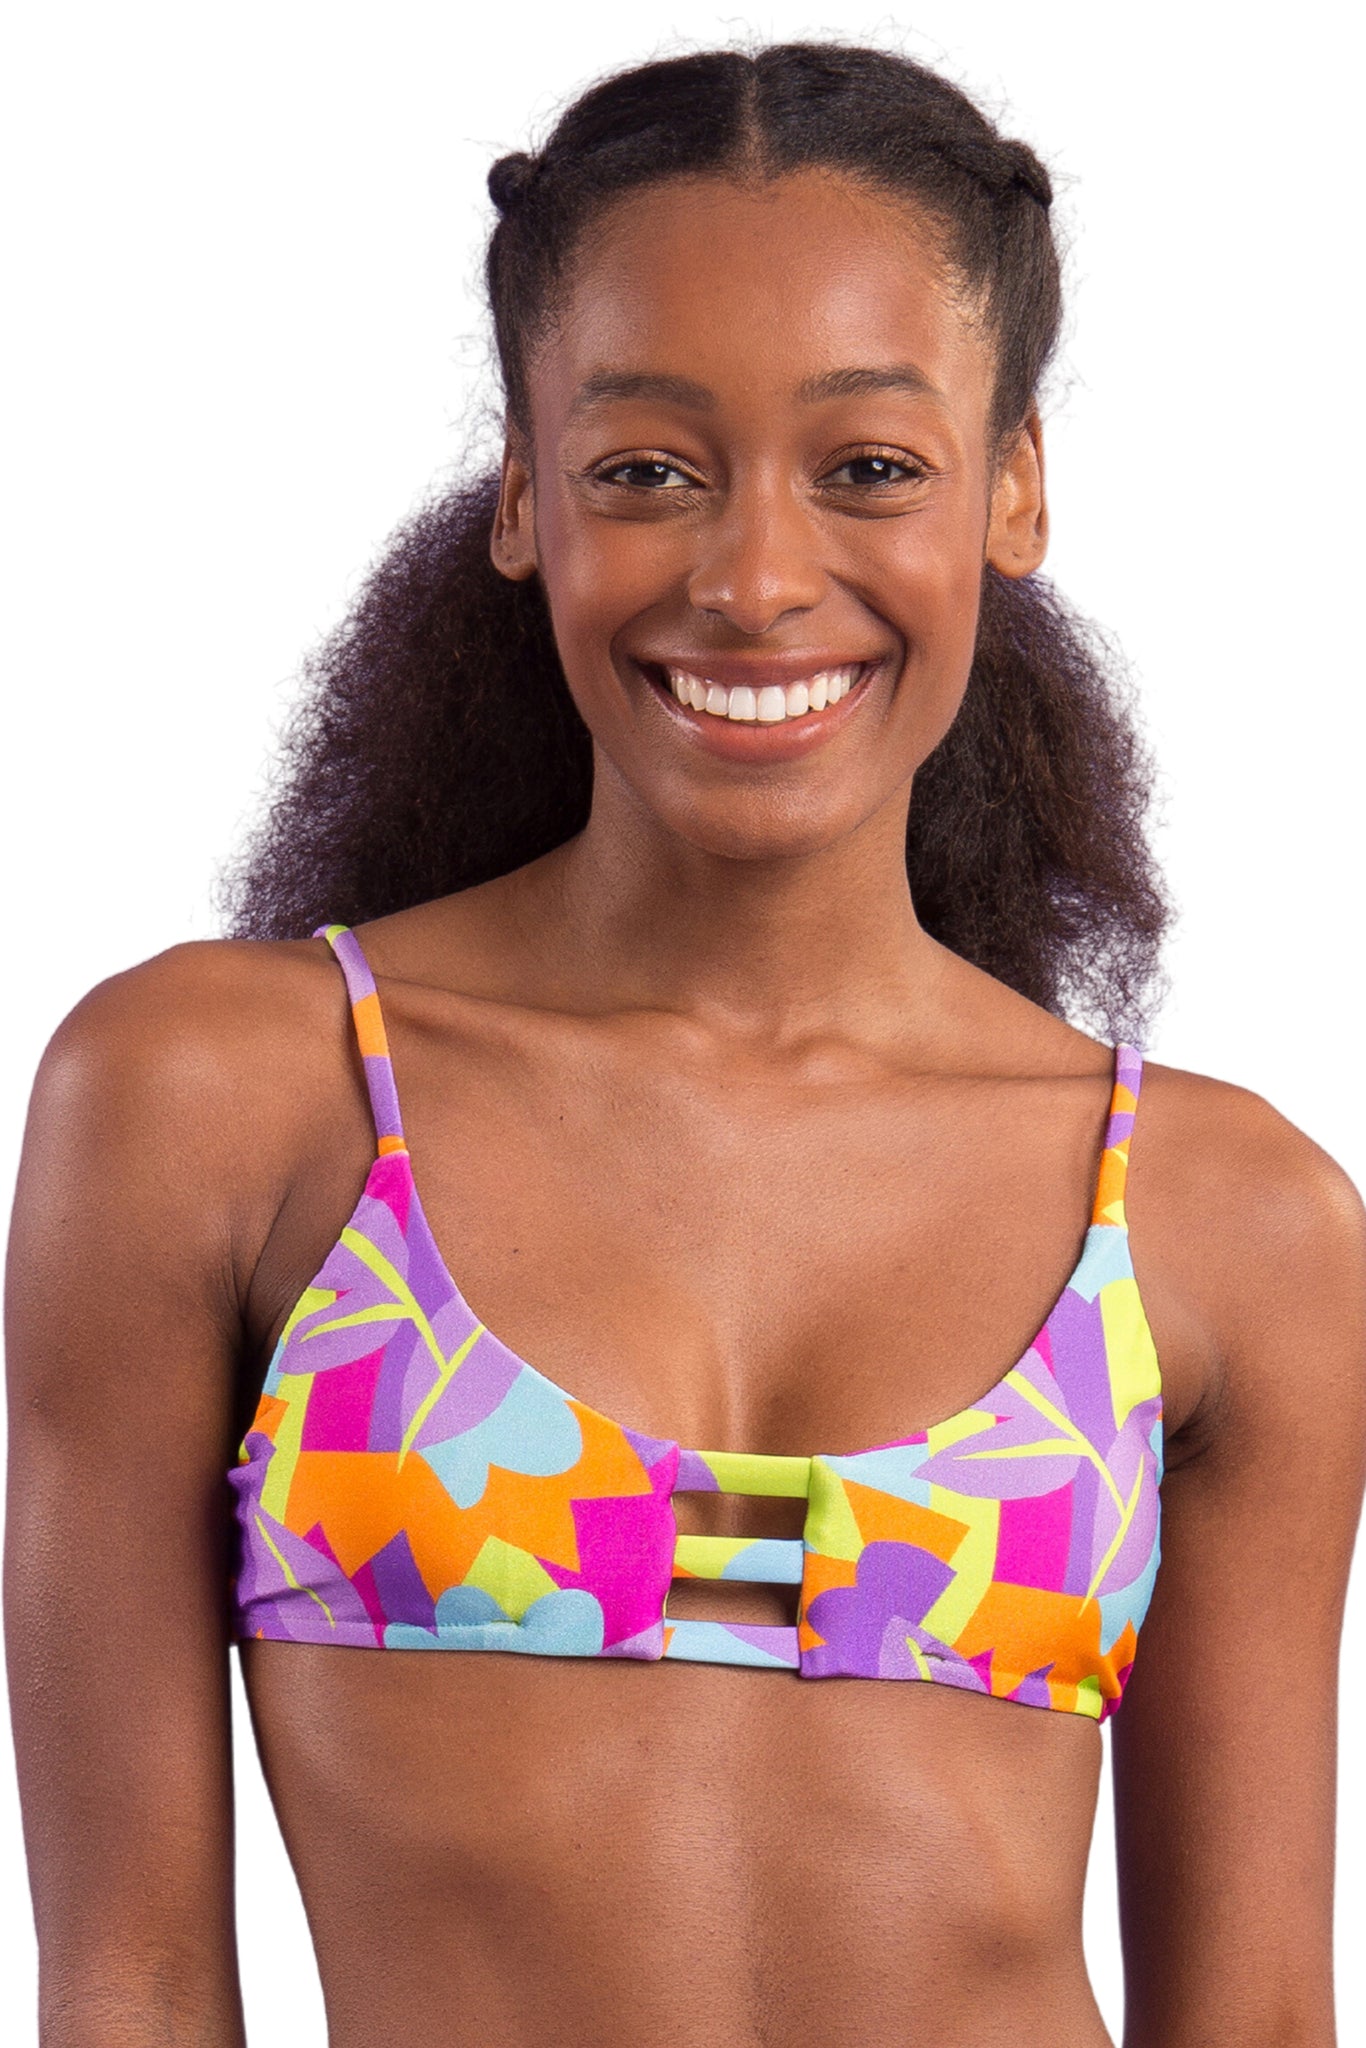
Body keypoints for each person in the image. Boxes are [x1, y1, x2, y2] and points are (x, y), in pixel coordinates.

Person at [6, 38, 1364, 2048]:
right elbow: (127, 1981)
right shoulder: (224, 1103)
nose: (752, 580)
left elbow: (1250, 2021)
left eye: (868, 467)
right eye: (645, 469)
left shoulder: (1224, 1217)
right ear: (521, 494)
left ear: (1010, 488)